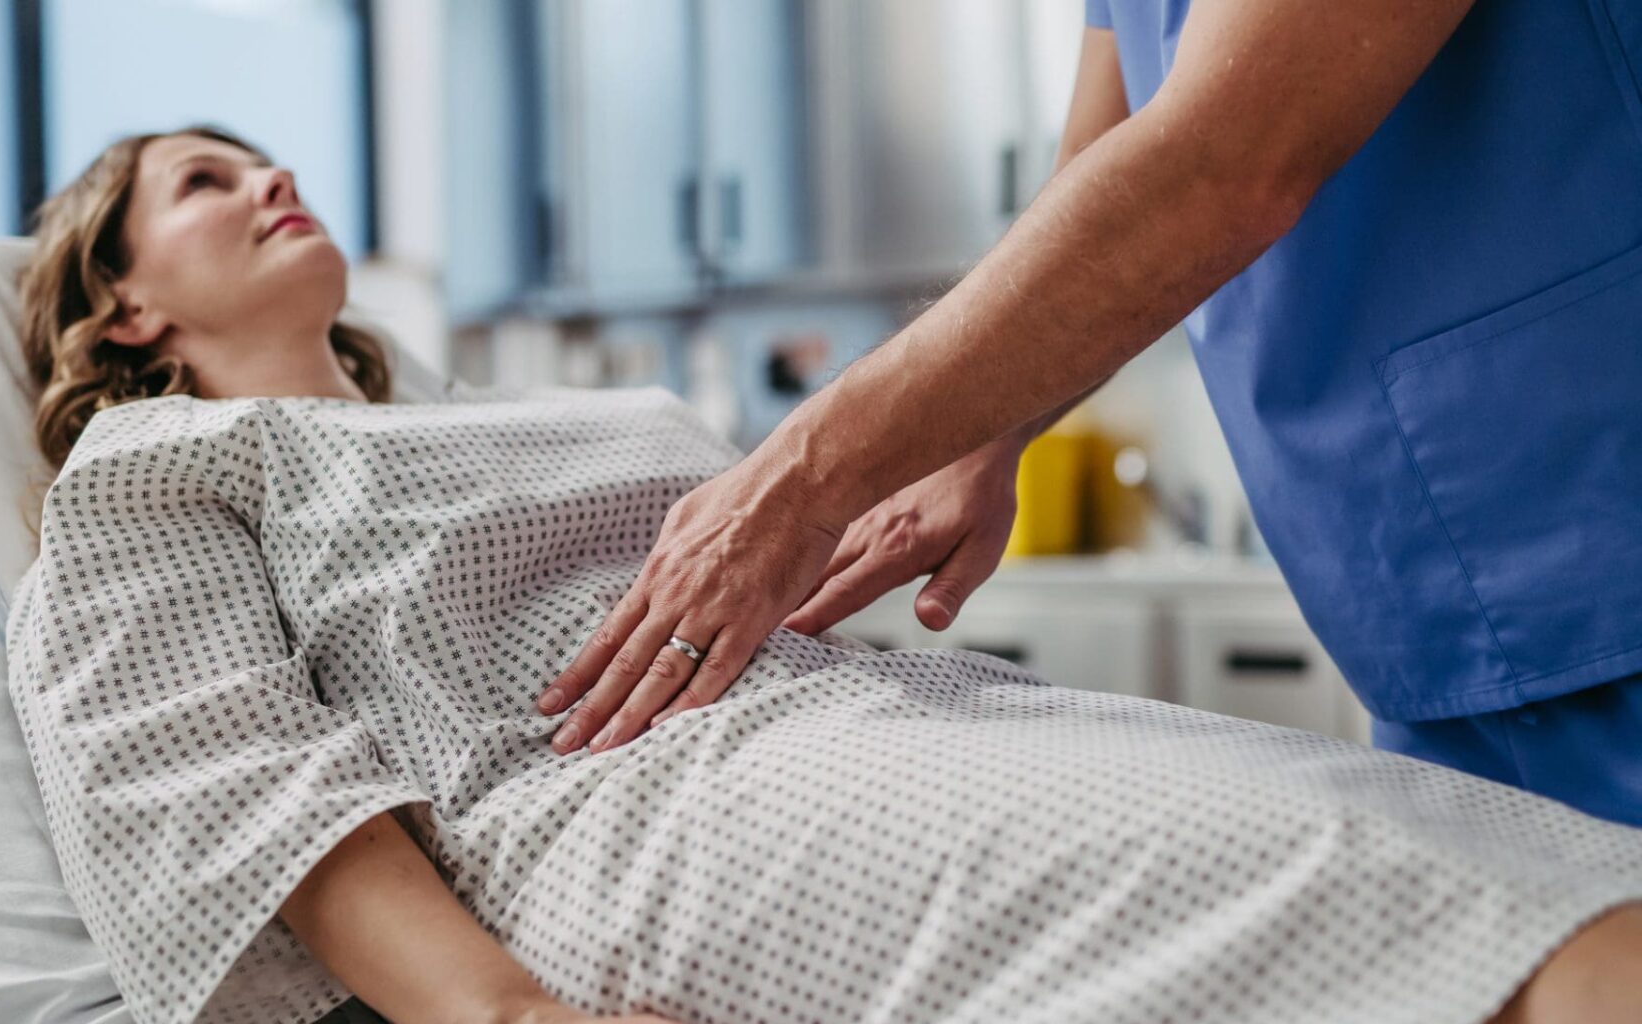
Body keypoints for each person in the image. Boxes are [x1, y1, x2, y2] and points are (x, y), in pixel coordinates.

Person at [9, 125, 1642, 1024]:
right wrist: (502, 1018)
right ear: (126, 307)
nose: (271, 179)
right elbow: (225, 780)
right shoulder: (156, 468)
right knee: (1391, 891)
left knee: (1461, 846)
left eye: (261, 158)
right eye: (203, 183)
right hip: (639, 806)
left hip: (896, 717)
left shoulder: (527, 418)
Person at [540, 0, 1642, 830]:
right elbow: (1103, 164)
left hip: (1590, 519)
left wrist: (799, 474)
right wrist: (983, 433)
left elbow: (1223, 160)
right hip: (1431, 613)